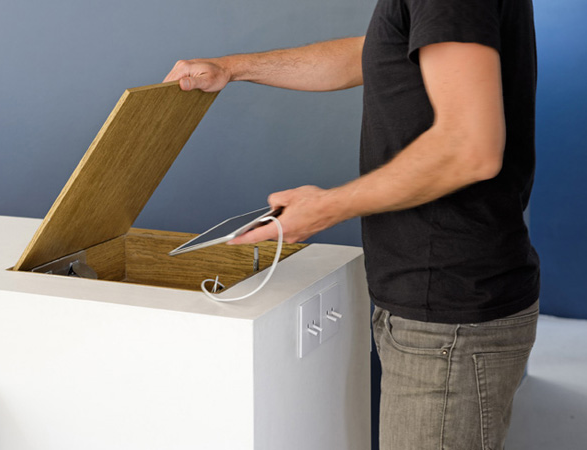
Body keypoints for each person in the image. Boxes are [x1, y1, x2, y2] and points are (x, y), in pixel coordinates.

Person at [164, 0, 540, 448]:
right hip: (438, 300)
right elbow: (378, 50)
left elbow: (469, 149)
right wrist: (232, 68)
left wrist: (326, 208)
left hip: (448, 314)